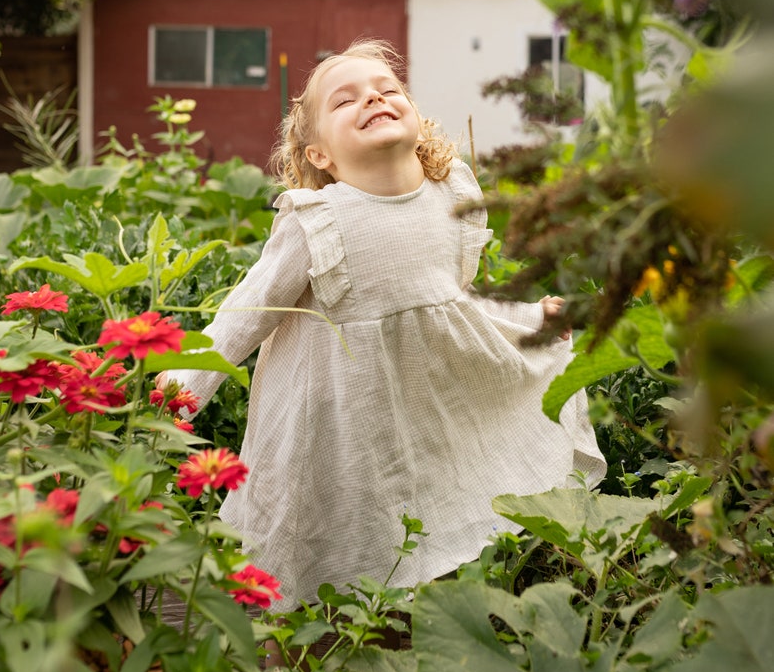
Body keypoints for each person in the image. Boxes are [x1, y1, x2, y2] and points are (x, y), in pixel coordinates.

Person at [160, 40, 605, 609]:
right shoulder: (318, 222)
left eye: (388, 89)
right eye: (346, 100)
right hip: (325, 430)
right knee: (301, 563)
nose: (373, 97)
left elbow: (452, 304)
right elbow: (243, 317)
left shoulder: (451, 197)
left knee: (402, 560)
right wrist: (171, 396)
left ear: (415, 117)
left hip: (411, 423)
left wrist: (529, 318)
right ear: (318, 153)